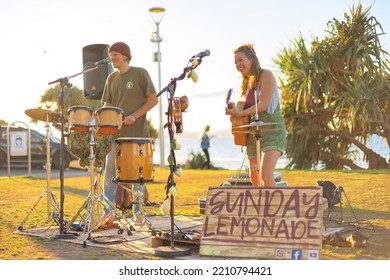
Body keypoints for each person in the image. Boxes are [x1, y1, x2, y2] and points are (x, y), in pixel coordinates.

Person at [101, 41, 158, 218]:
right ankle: (108, 213)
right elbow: (107, 104)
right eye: (110, 56)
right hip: (114, 135)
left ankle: (138, 214)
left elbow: (153, 99)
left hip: (137, 135)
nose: (112, 59)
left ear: (126, 56)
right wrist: (102, 120)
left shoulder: (140, 73)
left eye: (115, 55)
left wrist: (134, 115)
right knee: (109, 172)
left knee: (136, 176)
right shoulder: (111, 78)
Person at [225, 43, 286, 187]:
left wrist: (239, 112)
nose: (238, 64)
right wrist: (235, 115)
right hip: (254, 134)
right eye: (235, 62)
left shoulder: (266, 75)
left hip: (272, 131)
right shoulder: (247, 84)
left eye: (241, 60)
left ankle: (277, 207)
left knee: (266, 174)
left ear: (252, 59)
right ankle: (261, 208)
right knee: (254, 177)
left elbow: (263, 104)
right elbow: (247, 113)